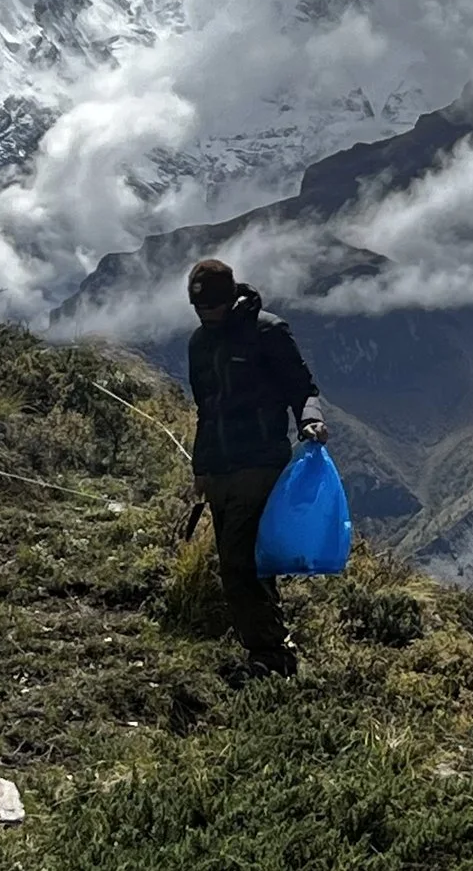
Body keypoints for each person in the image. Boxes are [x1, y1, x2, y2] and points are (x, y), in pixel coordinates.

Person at [185, 256, 326, 677]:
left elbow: (303, 388)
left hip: (262, 462)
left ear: (229, 299)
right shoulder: (199, 343)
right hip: (221, 468)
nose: (206, 315)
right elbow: (205, 411)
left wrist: (310, 419)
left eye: (211, 307)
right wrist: (201, 468)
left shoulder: (268, 332)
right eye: (198, 310)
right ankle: (268, 652)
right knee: (238, 562)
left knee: (240, 560)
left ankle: (270, 655)